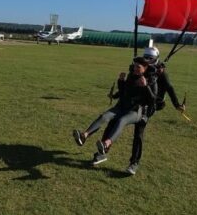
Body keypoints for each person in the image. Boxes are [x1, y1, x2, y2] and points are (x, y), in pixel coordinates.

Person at [73, 57, 156, 166]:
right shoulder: (131, 75)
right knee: (104, 116)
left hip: (135, 111)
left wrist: (146, 87)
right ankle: (84, 135)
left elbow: (152, 100)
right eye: (134, 66)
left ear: (145, 68)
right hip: (121, 107)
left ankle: (106, 144)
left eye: (138, 67)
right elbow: (124, 93)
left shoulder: (150, 79)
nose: (135, 68)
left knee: (121, 120)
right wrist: (121, 81)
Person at [126, 47, 184, 175]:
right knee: (115, 119)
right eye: (145, 57)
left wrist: (177, 105)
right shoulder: (139, 67)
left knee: (139, 130)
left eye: (150, 58)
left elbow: (169, 88)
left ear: (156, 58)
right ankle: (102, 150)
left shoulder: (160, 72)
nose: (147, 60)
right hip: (135, 102)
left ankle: (134, 163)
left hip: (151, 105)